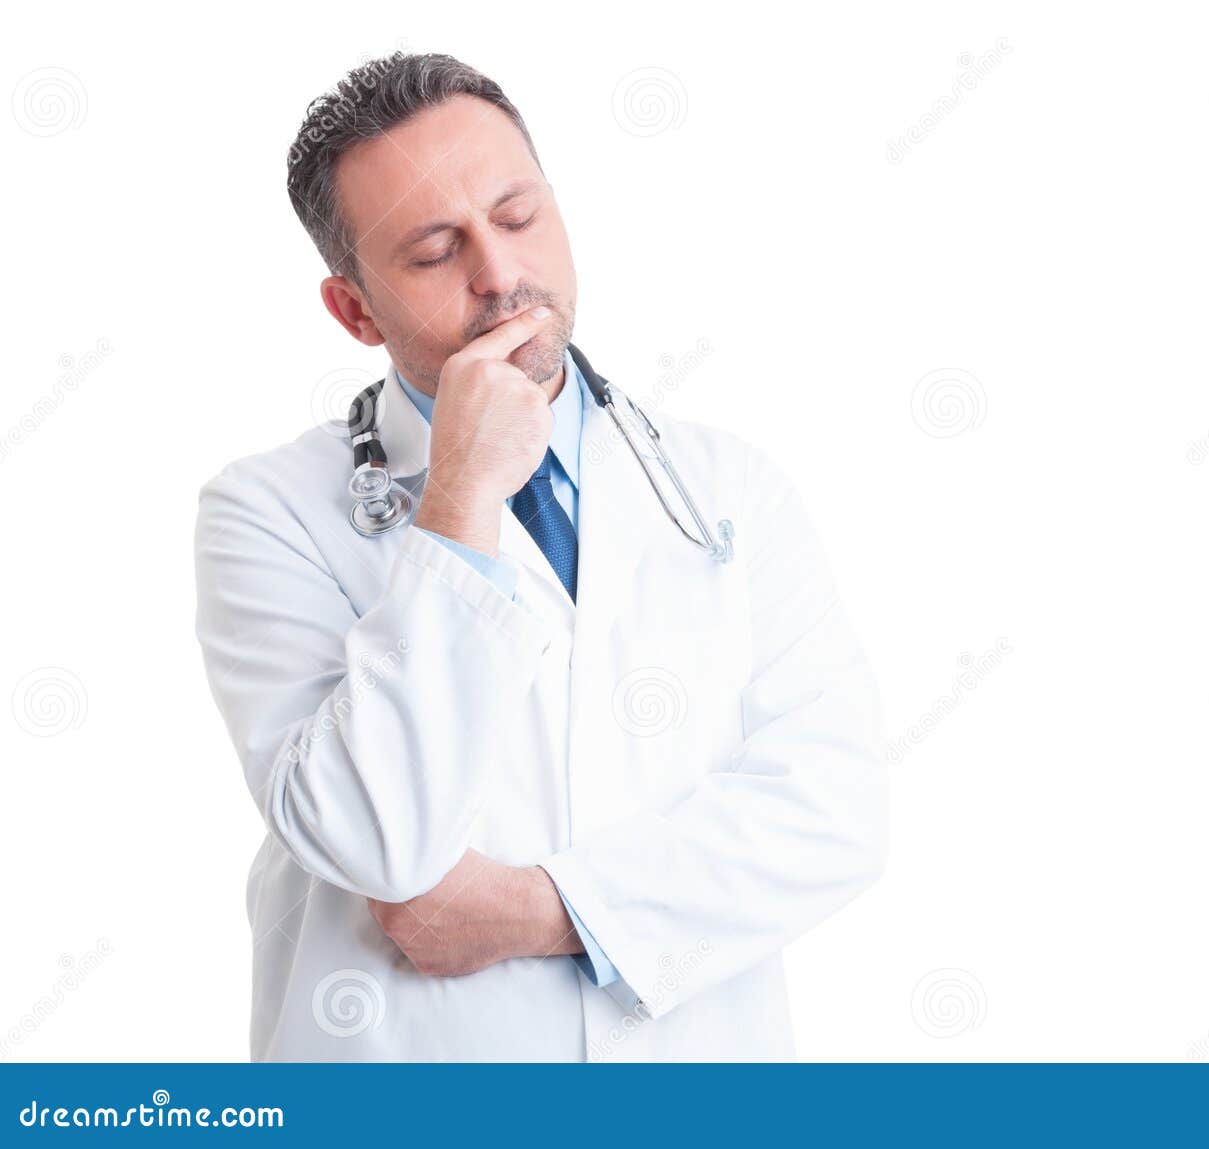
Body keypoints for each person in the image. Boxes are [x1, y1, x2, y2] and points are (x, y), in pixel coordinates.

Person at [192, 51, 888, 1060]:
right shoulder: (266, 514)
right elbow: (373, 837)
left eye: (517, 216)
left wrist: (541, 910)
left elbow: (833, 812)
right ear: (355, 310)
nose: (499, 275)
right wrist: (460, 497)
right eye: (435, 251)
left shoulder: (727, 485)